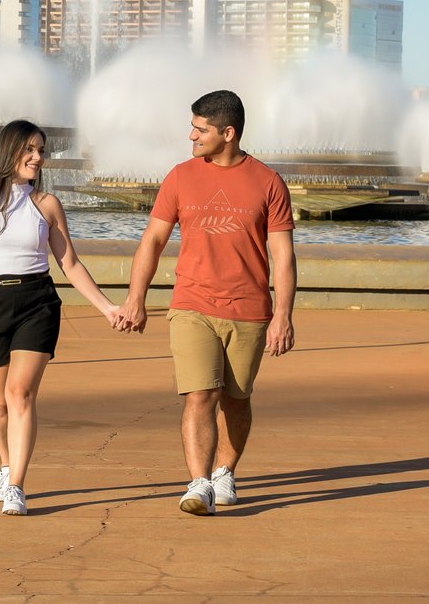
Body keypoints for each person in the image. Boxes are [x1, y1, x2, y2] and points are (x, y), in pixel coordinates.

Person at [118, 90, 297, 516]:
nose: (192, 135)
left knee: (236, 398)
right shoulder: (180, 176)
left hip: (250, 309)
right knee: (200, 394)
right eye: (193, 127)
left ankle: (225, 471)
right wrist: (135, 298)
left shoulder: (268, 182)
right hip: (191, 304)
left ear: (228, 133)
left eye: (200, 129)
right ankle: (198, 484)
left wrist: (283, 316)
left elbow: (283, 256)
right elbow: (154, 240)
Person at [0, 119, 123, 516]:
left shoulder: (46, 205)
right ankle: (6, 464)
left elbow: (71, 264)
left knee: (19, 394)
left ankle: (17, 486)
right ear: (10, 151)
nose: (38, 158)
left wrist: (107, 307)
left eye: (42, 151)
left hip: (37, 303)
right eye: (30, 149)